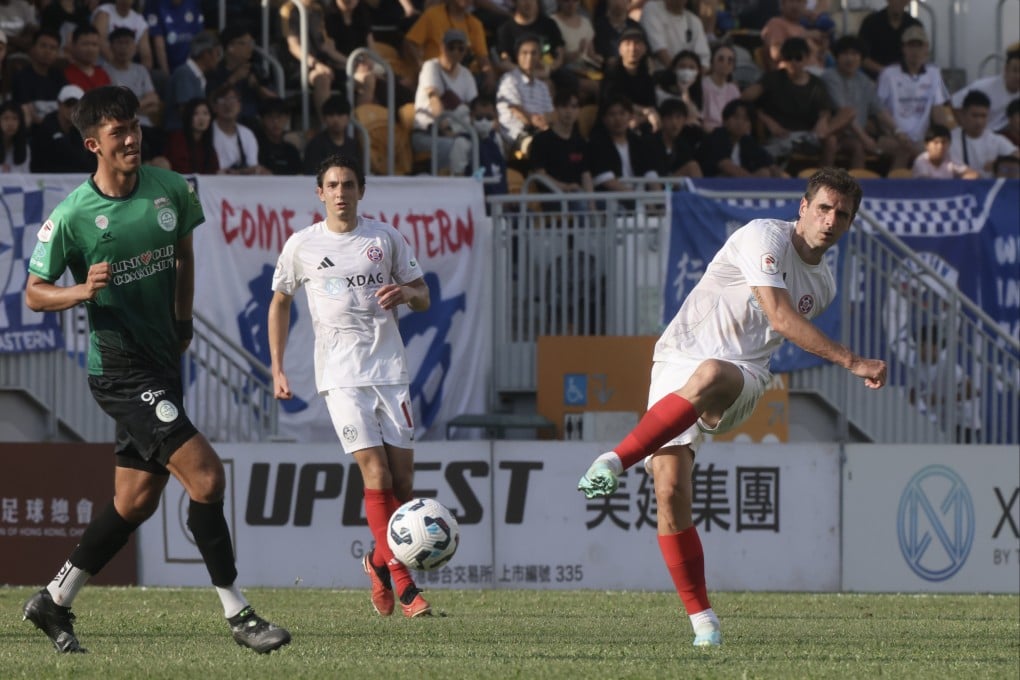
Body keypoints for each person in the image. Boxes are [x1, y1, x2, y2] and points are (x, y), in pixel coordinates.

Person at [22, 84, 290, 655]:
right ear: (94, 143)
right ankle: (239, 615)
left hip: (163, 361)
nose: (131, 139)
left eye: (135, 128)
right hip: (119, 369)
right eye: (119, 133)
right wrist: (77, 292)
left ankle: (53, 600)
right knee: (208, 478)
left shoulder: (171, 188)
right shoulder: (73, 215)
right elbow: (33, 294)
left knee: (136, 501)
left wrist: (184, 323)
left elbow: (184, 257)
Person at [577, 167, 887, 647]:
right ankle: (704, 622)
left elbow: (780, 324)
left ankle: (616, 458)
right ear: (803, 208)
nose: (830, 220)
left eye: (842, 214)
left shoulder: (822, 285)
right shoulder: (764, 235)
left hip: (744, 376)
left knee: (714, 373)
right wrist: (853, 361)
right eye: (823, 208)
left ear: (849, 224)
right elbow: (781, 316)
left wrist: (848, 361)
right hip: (677, 356)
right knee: (669, 492)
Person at [267, 153, 433, 619]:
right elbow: (279, 303)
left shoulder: (385, 238)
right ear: (320, 194)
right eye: (333, 185)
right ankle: (404, 584)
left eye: (349, 184)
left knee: (402, 487)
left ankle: (377, 564)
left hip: (390, 371)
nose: (341, 192)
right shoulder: (302, 245)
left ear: (362, 191)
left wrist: (406, 293)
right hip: (340, 377)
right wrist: (278, 367)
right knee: (376, 476)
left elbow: (423, 297)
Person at [821, 35, 914, 172]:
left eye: (854, 54)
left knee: (904, 147)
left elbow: (880, 111)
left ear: (861, 58)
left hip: (862, 135)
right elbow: (845, 114)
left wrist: (898, 131)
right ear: (836, 57)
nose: (850, 59)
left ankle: (892, 188)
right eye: (845, 54)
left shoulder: (865, 81)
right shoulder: (829, 77)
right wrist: (865, 138)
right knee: (858, 146)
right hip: (837, 135)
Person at [742, 36, 836, 167]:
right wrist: (768, 121)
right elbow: (745, 99)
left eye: (798, 57)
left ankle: (824, 181)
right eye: (788, 57)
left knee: (831, 140)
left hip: (808, 136)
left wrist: (823, 120)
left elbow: (825, 110)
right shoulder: (772, 79)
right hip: (781, 138)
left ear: (807, 58)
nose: (793, 62)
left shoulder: (816, 84)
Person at [875, 25, 951, 158]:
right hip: (893, 136)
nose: (915, 51)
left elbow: (937, 109)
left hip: (922, 139)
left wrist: (943, 136)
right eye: (911, 46)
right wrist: (896, 132)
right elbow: (879, 109)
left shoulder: (934, 73)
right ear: (904, 48)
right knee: (904, 149)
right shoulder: (889, 74)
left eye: (919, 46)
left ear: (926, 48)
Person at [412, 28, 478, 175]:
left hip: (458, 132)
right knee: (458, 147)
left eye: (460, 48)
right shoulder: (431, 67)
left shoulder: (466, 74)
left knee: (481, 146)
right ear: (442, 47)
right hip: (428, 134)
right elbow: (434, 99)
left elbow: (473, 107)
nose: (456, 52)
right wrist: (446, 129)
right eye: (451, 47)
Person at [695, 98, 786, 177]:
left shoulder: (747, 141)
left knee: (764, 172)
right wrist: (752, 182)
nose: (740, 122)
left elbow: (769, 163)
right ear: (725, 120)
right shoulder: (717, 136)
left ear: (750, 125)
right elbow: (727, 166)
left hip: (743, 187)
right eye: (736, 117)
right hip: (712, 185)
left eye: (746, 119)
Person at [948, 90, 1018, 179]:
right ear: (963, 114)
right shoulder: (951, 139)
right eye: (975, 115)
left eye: (983, 116)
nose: (979, 121)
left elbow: (1016, 155)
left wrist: (998, 164)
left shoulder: (994, 139)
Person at [950, 48, 1019, 135]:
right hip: (980, 135)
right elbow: (954, 101)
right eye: (1015, 70)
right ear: (1006, 69)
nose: (1018, 76)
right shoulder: (984, 86)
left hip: (1005, 137)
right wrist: (966, 128)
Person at [29, 84, 96, 173]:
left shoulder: (82, 129)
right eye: (68, 104)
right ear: (59, 104)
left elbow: (84, 161)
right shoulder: (47, 126)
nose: (72, 109)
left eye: (77, 106)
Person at [210, 82, 268, 175]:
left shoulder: (247, 134)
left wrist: (237, 172)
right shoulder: (207, 132)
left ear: (240, 106)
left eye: (233, 100)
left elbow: (253, 168)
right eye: (222, 100)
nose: (228, 105)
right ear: (214, 107)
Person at [856, 0, 921, 80]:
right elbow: (861, 57)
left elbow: (920, 56)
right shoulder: (871, 22)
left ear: (908, 2)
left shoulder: (914, 25)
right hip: (874, 80)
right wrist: (886, 72)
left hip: (906, 80)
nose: (898, 2)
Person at [638, 0, 709, 71]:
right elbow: (659, 50)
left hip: (689, 78)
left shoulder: (694, 21)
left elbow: (704, 61)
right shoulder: (652, 8)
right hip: (660, 74)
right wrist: (677, 75)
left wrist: (694, 79)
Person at [302, 93, 360, 174]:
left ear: (348, 118)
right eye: (331, 115)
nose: (335, 119)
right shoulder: (315, 145)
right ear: (324, 119)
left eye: (340, 114)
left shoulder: (353, 145)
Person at [165, 96, 220, 173]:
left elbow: (214, 169)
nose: (201, 118)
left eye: (205, 113)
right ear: (188, 116)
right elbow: (180, 168)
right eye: (196, 113)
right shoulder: (178, 139)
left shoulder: (207, 143)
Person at [911, 124, 977, 179]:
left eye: (944, 142)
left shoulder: (950, 157)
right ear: (926, 145)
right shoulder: (921, 160)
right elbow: (927, 184)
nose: (940, 146)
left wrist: (961, 179)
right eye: (936, 142)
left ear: (950, 143)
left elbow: (973, 174)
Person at [63, 24, 112, 92]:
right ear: (73, 46)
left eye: (94, 44)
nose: (90, 49)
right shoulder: (65, 75)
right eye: (85, 44)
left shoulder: (103, 74)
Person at [0, 99, 30, 172]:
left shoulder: (25, 148)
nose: (10, 123)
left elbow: (26, 176)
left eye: (15, 118)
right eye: (6, 118)